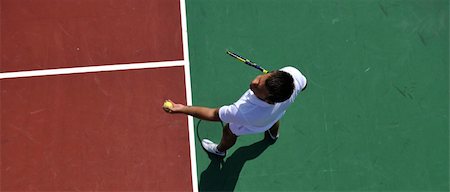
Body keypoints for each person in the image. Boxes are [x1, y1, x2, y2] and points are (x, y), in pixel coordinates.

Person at [163, 66, 307, 157]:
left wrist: (182, 108)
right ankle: (273, 135)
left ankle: (220, 150)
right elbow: (304, 84)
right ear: (273, 73)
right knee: (274, 119)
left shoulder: (243, 112)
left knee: (230, 131)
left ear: (269, 100)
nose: (254, 83)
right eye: (261, 79)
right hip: (276, 114)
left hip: (254, 123)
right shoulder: (292, 76)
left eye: (258, 89)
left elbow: (213, 114)